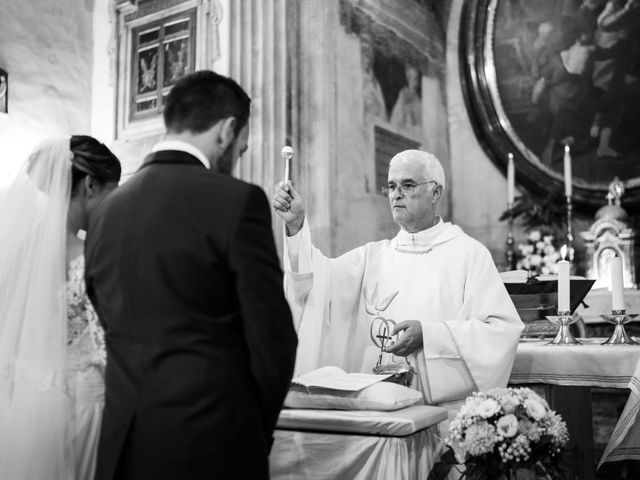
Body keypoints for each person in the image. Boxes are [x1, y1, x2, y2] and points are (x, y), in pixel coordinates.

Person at [85, 70, 297, 480]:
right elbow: (274, 340)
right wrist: (253, 433)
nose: (238, 157)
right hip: (211, 449)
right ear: (227, 130)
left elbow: (106, 317)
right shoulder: (237, 202)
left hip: (123, 448)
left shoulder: (106, 212)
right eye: (240, 148)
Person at [272, 149, 523, 418]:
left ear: (435, 193)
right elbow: (314, 285)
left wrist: (429, 335)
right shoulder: (372, 257)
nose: (396, 194)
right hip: (374, 412)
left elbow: (501, 331)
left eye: (408, 185)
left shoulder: (469, 254)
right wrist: (297, 226)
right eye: (391, 186)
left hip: (439, 417)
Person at [0, 135, 121, 479]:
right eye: (112, 194)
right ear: (91, 185)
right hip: (83, 410)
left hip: (26, 407)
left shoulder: (17, 252)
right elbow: (108, 347)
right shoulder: (89, 258)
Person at [390, 63, 422, 130]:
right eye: (411, 78)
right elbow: (396, 114)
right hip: (405, 125)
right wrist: (405, 111)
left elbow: (419, 118)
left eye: (415, 78)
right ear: (408, 79)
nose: (414, 81)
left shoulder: (417, 99)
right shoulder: (403, 93)